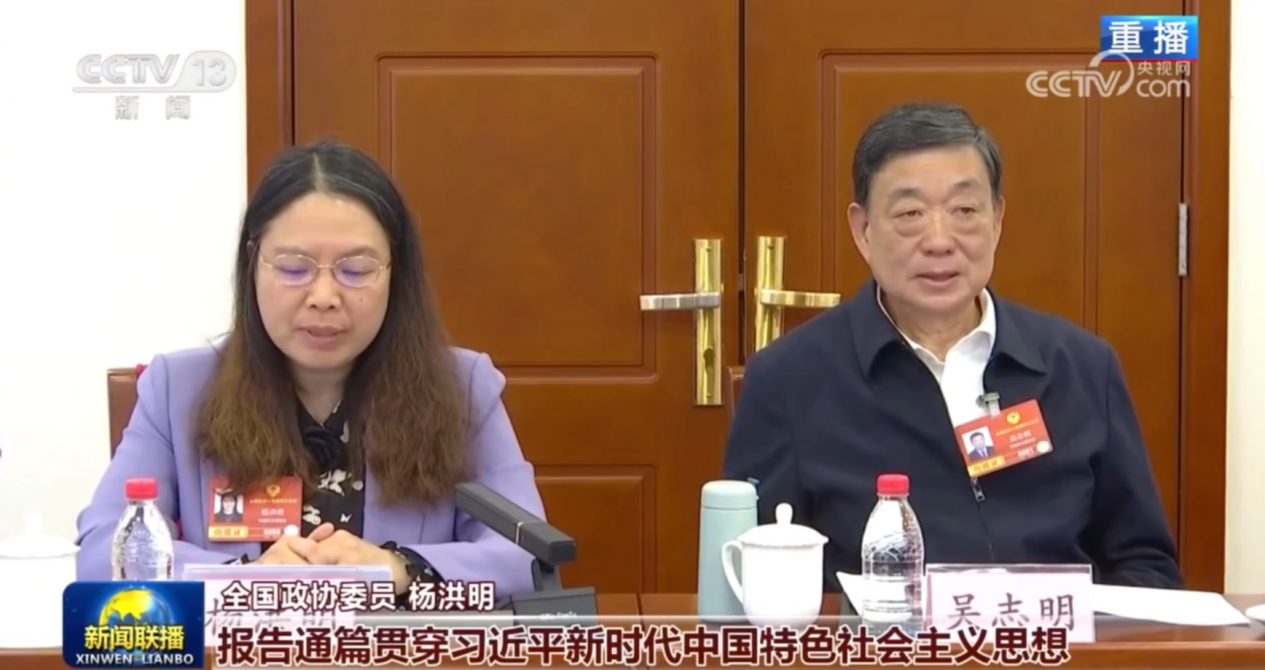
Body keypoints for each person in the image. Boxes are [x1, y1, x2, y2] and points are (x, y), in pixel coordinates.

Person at [722, 102, 1181, 589]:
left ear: (997, 219)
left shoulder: (1082, 367)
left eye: (964, 210)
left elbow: (1145, 565)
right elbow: (756, 580)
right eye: (910, 213)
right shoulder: (789, 379)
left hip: (1051, 636)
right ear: (863, 230)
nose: (939, 241)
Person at [76, 141, 546, 600]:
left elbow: (528, 552)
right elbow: (103, 553)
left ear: (396, 274)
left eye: (356, 270)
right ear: (252, 265)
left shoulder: (463, 388)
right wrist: (245, 579)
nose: (324, 296)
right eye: (294, 268)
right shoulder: (176, 389)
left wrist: (402, 568)